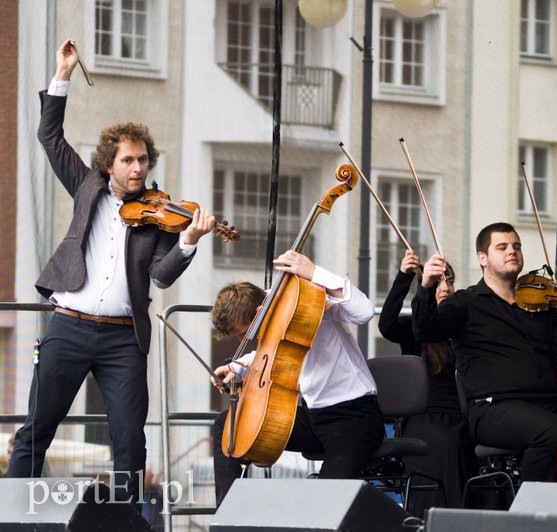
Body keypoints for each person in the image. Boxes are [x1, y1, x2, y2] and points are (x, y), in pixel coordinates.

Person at [7, 39, 215, 504]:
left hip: (124, 338)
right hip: (70, 326)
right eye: (128, 160)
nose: (138, 167)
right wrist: (62, 75)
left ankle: (128, 519)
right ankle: (12, 516)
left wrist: (188, 241)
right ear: (108, 164)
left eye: (143, 159)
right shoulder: (85, 186)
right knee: (36, 429)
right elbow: (49, 137)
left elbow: (161, 276)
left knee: (130, 442)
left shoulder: (163, 214)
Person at [210, 251, 384, 506]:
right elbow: (270, 350)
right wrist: (237, 367)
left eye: (244, 332)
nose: (243, 340)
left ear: (260, 311)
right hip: (314, 417)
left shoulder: (308, 301)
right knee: (227, 425)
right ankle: (227, 512)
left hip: (354, 417)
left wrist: (315, 273)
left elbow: (364, 312)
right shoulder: (271, 322)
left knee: (326, 503)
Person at [412, 223, 557, 482]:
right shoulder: (464, 303)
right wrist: (426, 287)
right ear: (482, 258)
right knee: (552, 433)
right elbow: (427, 331)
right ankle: (528, 517)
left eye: (516, 246)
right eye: (502, 247)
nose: (512, 252)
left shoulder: (540, 304)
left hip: (548, 404)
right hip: (494, 409)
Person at [378, 249, 476, 511]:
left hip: (464, 416)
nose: (445, 288)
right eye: (439, 281)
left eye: (450, 281)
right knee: (446, 446)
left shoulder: (464, 323)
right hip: (428, 418)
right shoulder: (417, 327)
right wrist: (403, 277)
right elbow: (386, 324)